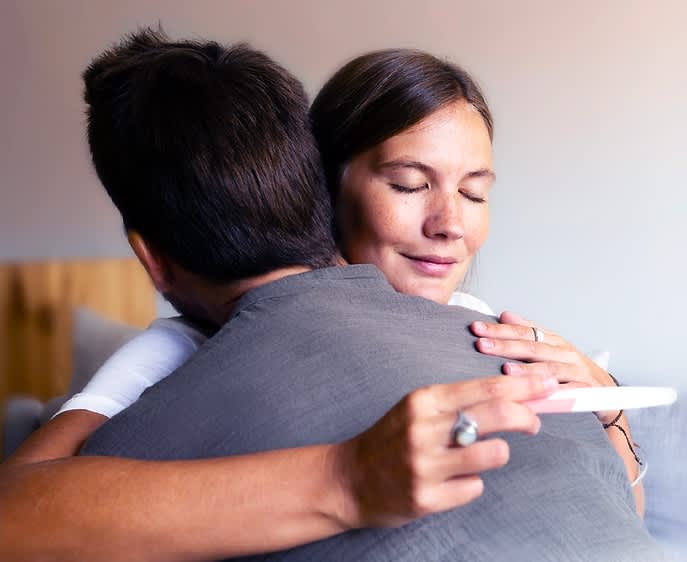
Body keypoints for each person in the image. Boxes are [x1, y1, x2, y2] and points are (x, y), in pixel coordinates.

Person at [0, 31, 653, 562]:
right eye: (407, 183)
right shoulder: (182, 356)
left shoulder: (497, 335)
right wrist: (346, 479)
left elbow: (612, 515)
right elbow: (22, 510)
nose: (450, 224)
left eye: (476, 192)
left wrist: (604, 404)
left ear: (153, 260)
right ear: (325, 190)